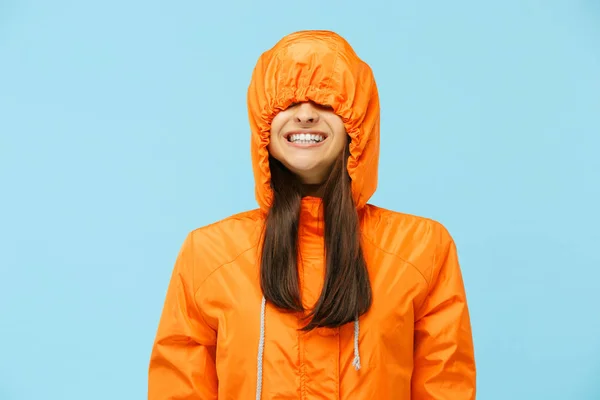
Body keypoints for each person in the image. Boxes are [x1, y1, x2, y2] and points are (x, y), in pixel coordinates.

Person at [148, 30, 476, 399]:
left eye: (325, 102)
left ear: (358, 124)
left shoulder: (421, 247)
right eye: (286, 104)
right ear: (263, 125)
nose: (304, 115)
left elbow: (445, 386)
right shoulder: (208, 252)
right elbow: (179, 387)